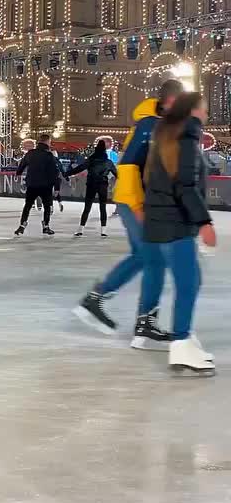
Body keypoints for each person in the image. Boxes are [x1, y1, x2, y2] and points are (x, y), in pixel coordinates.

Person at [74, 78, 183, 334]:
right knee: (154, 259)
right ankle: (142, 319)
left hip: (139, 201)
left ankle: (99, 298)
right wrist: (137, 206)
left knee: (143, 256)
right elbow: (129, 165)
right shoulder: (150, 125)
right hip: (134, 201)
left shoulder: (160, 125)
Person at [136, 93, 215, 375]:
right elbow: (186, 186)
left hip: (165, 220)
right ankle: (181, 343)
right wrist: (204, 222)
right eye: (204, 109)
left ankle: (184, 337)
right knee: (188, 282)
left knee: (191, 281)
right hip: (175, 222)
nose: (207, 114)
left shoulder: (169, 136)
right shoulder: (186, 140)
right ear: (194, 111)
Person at [14, 135, 61, 236]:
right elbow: (55, 172)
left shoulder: (30, 153)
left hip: (32, 184)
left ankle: (22, 226)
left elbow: (22, 164)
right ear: (47, 142)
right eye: (49, 141)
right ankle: (46, 226)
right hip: (45, 185)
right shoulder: (49, 156)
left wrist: (18, 173)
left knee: (27, 205)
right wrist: (57, 187)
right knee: (47, 207)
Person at [69, 141, 118, 237]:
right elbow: (117, 174)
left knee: (87, 207)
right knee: (102, 207)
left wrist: (67, 173)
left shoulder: (91, 160)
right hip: (103, 185)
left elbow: (80, 168)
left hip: (91, 184)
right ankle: (103, 230)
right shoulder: (109, 162)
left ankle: (80, 229)